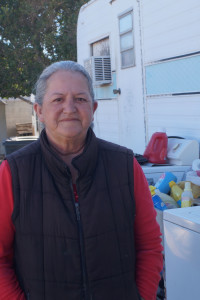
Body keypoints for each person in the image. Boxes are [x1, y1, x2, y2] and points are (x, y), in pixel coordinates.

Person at [0, 61, 163, 300]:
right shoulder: (13, 173)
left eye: (80, 99)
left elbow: (149, 247)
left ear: (93, 108)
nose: (70, 108)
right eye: (58, 99)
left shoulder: (125, 166)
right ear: (39, 111)